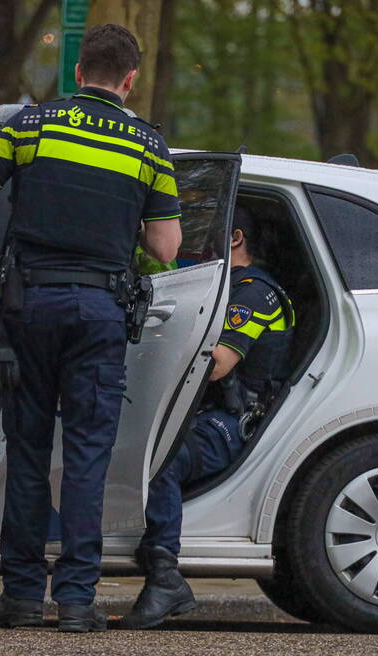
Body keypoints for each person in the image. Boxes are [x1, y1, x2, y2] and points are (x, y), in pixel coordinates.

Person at [0, 24, 182, 633]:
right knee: (86, 459)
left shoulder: (29, 127)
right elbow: (165, 247)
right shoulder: (150, 148)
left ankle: (22, 596)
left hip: (28, 309)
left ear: (78, 72)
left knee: (26, 451)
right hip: (100, 314)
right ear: (129, 82)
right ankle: (78, 603)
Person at [121, 206, 295, 629]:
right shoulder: (226, 285)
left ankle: (165, 578)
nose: (196, 243)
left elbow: (218, 364)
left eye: (208, 234)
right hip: (208, 412)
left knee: (161, 458)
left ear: (235, 238)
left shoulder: (254, 292)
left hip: (230, 424)